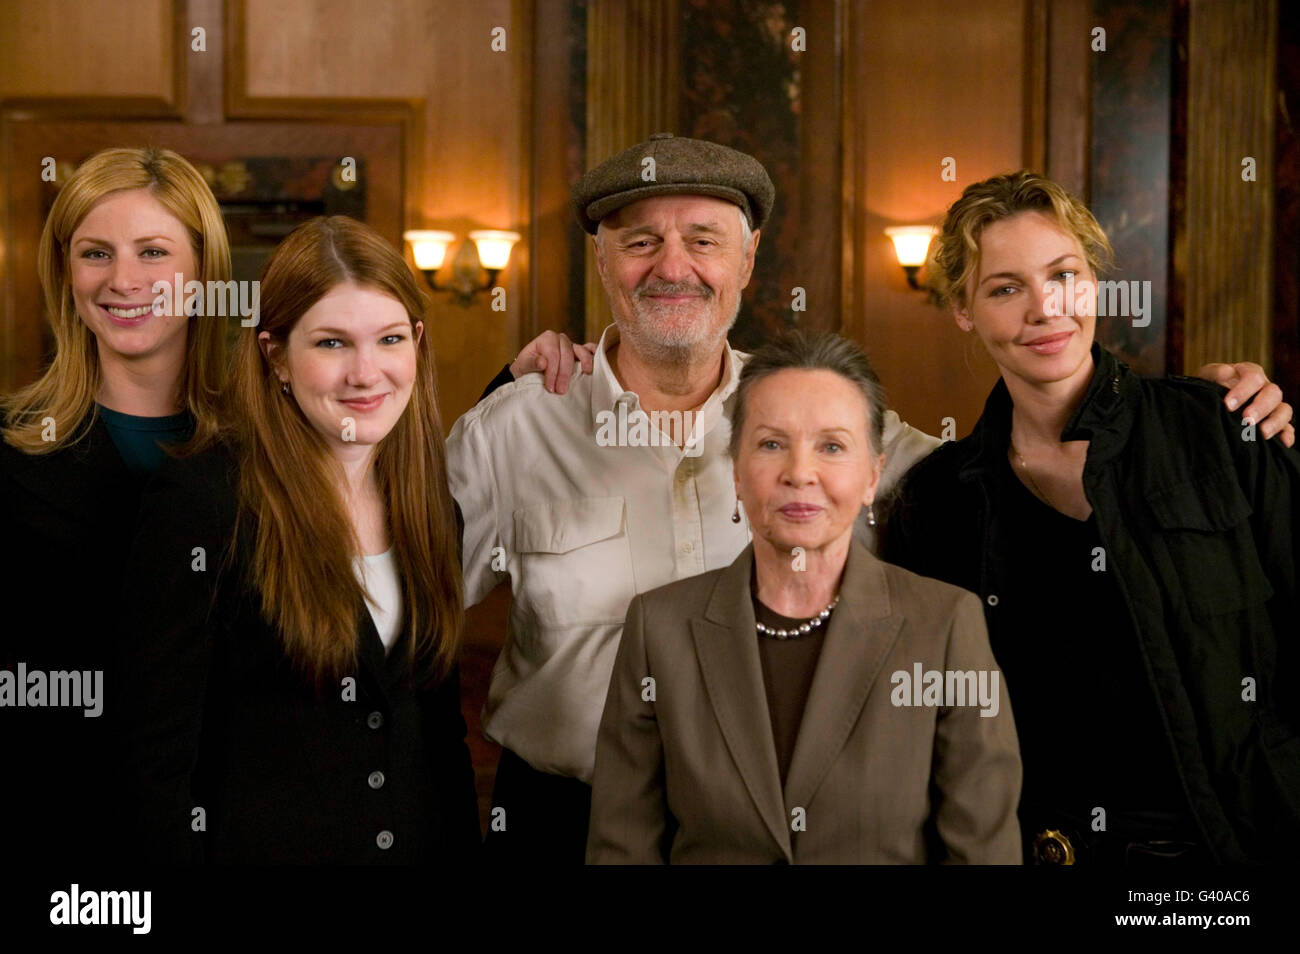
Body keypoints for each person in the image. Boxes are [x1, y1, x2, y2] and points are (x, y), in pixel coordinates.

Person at [449, 134, 1294, 865]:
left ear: (745, 262)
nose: (673, 267)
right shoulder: (514, 430)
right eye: (640, 242)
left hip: (767, 829)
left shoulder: (836, 423)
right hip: (562, 821)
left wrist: (1209, 414)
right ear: (601, 260)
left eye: (704, 240)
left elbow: (973, 471)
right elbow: (395, 617)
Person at [883, 170, 1300, 865]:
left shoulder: (1223, 432)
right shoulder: (938, 501)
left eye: (1064, 275)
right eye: (1005, 288)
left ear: (1096, 283)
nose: (1045, 310)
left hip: (1233, 854)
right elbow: (927, 730)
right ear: (963, 310)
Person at [119, 216, 479, 863]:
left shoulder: (433, 509)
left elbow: (437, 739)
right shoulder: (204, 503)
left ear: (417, 345)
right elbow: (154, 763)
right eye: (332, 344)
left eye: (389, 339)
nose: (366, 373)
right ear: (275, 355)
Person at [586, 331, 1022, 863]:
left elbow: (983, 854)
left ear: (872, 476)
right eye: (771, 444)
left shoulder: (948, 626)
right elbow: (621, 850)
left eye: (832, 446)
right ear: (737, 472)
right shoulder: (659, 628)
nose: (799, 473)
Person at [0, 146, 231, 863]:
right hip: (52, 833)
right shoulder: (10, 450)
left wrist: (514, 384)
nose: (123, 280)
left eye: (154, 252)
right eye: (95, 253)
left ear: (204, 273)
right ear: (66, 274)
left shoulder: (273, 453)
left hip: (231, 831)